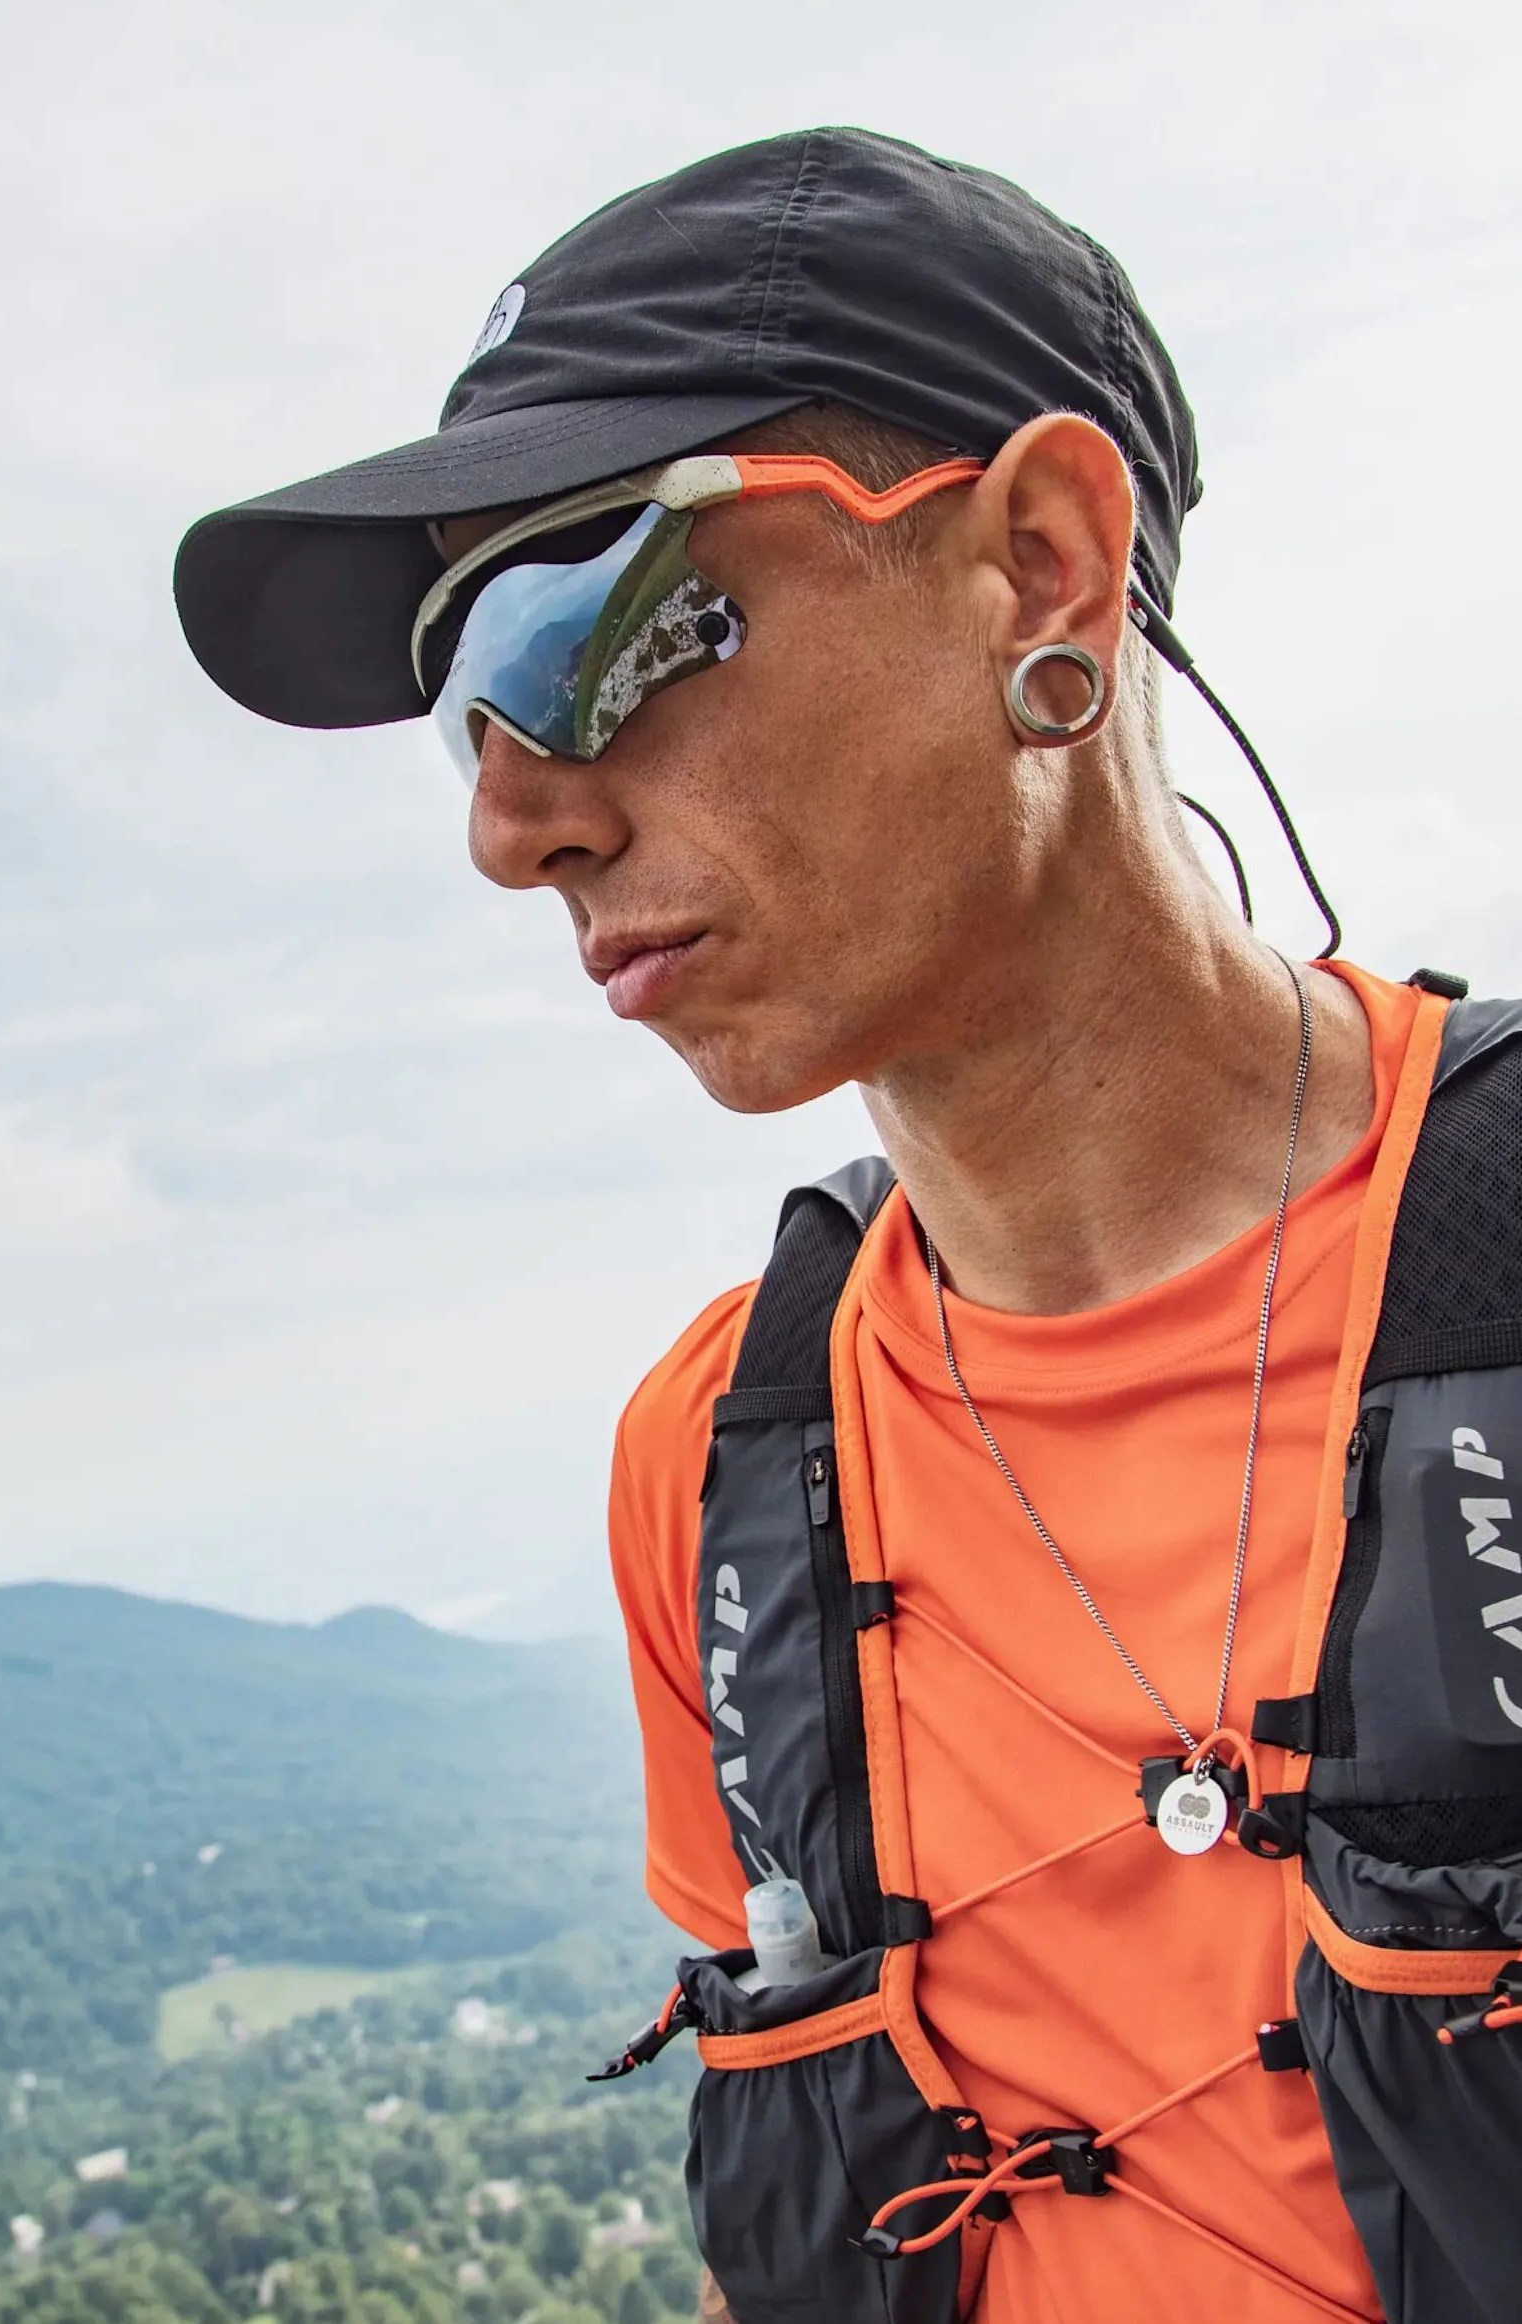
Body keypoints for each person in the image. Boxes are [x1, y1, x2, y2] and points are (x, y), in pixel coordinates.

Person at [176, 129, 1522, 2324]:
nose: (514, 822)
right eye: (463, 701)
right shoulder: (723, 1460)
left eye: (582, 622)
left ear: (1046, 566)